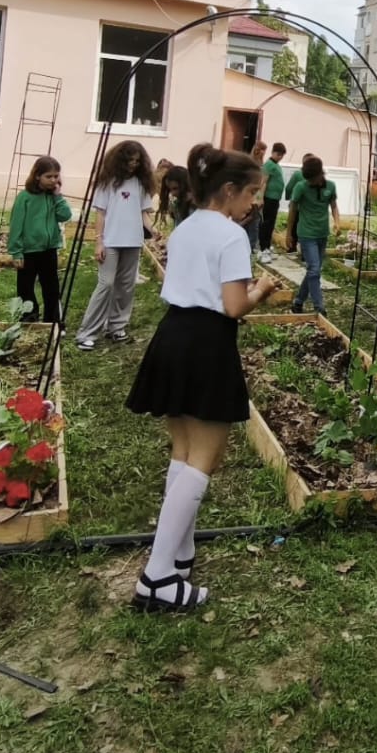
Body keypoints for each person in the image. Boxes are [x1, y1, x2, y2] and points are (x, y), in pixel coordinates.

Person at [124, 146, 281, 613]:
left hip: (173, 336)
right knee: (203, 460)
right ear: (228, 190)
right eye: (251, 193)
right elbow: (233, 306)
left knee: (183, 452)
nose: (255, 203)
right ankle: (156, 577)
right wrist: (262, 289)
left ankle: (179, 554)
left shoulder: (187, 226)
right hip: (207, 345)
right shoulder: (231, 236)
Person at [75, 140, 154, 352]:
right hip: (110, 242)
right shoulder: (107, 183)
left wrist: (154, 230)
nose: (133, 164)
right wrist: (98, 241)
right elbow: (100, 213)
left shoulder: (141, 183)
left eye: (137, 161)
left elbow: (143, 213)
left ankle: (116, 327)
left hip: (133, 242)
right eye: (130, 160)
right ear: (120, 160)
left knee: (126, 285)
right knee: (106, 284)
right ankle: (87, 333)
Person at [8, 156, 71, 325]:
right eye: (48, 176)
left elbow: (65, 215)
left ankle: (52, 320)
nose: (53, 180)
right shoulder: (25, 197)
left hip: (49, 249)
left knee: (51, 287)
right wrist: (16, 252)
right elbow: (16, 225)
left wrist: (58, 197)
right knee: (25, 287)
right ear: (37, 176)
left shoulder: (53, 197)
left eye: (56, 176)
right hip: (28, 251)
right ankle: (29, 317)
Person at [287, 156, 341, 316]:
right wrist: (288, 233)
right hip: (306, 234)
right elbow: (292, 210)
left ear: (320, 173)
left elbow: (334, 206)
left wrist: (337, 222)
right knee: (314, 270)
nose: (310, 182)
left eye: (312, 179)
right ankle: (319, 307)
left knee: (313, 270)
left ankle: (298, 302)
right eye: (308, 179)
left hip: (322, 233)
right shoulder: (300, 187)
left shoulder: (331, 186)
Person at [259, 143, 287, 262]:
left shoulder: (276, 165)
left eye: (282, 155)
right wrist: (260, 198)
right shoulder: (269, 165)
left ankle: (267, 247)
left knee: (271, 224)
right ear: (273, 152)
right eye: (278, 154)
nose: (280, 157)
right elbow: (263, 182)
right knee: (266, 224)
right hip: (268, 198)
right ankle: (263, 249)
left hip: (275, 199)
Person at [243, 141, 267, 261]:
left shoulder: (261, 165)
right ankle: (247, 247)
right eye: (262, 150)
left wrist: (260, 198)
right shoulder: (249, 163)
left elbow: (263, 183)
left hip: (255, 197)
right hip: (249, 195)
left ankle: (251, 248)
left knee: (254, 222)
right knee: (248, 222)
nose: (262, 153)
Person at [156, 161, 194, 230]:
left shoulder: (201, 205)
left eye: (175, 188)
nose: (172, 193)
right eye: (170, 189)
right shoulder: (176, 204)